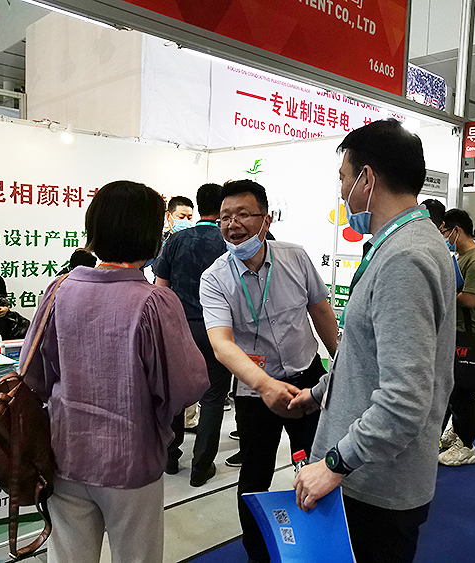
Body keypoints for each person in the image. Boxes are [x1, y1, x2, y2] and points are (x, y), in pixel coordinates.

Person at [290, 119, 456, 563]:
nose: (342, 192)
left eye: (343, 179)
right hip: (368, 473)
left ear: (367, 179)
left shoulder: (405, 258)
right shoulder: (404, 243)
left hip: (375, 483)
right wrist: (318, 394)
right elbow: (371, 356)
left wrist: (336, 463)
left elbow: (404, 398)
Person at [21, 180, 209, 563]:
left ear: (93, 229)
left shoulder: (58, 290)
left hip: (64, 452)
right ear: (152, 237)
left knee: (68, 557)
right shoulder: (154, 301)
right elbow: (186, 387)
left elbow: (31, 374)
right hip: (131, 459)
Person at [200, 179, 338, 563]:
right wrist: (263, 385)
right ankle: (258, 554)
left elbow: (320, 311)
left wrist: (341, 363)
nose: (233, 224)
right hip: (254, 390)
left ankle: (321, 543)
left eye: (243, 214)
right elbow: (221, 343)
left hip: (308, 378)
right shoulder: (215, 278)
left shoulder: (295, 257)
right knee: (254, 476)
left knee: (319, 463)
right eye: (225, 217)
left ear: (266, 219)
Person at [153, 183, 231, 486]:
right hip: (218, 330)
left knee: (175, 393)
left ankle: (170, 458)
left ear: (198, 206)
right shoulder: (230, 240)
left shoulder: (176, 240)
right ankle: (201, 467)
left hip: (180, 328)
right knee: (213, 397)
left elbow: (161, 287)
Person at [438, 208, 475, 466]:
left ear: (456, 230)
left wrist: (441, 292)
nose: (444, 237)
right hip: (455, 331)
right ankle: (457, 432)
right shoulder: (461, 257)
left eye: (445, 232)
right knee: (452, 389)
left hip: (469, 334)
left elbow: (470, 299)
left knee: (463, 391)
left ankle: (467, 444)